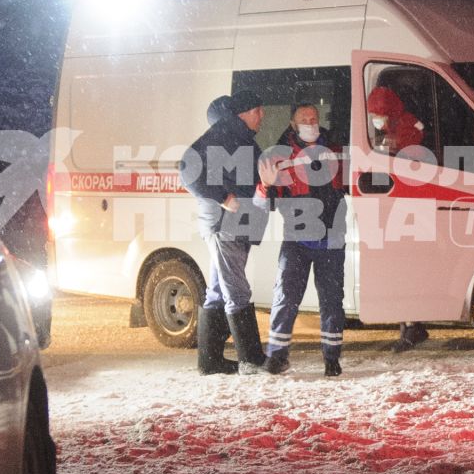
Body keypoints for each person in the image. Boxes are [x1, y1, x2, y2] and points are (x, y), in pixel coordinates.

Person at [180, 90, 269, 374]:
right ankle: (251, 359)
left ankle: (210, 360)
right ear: (242, 113)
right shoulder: (223, 135)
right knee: (236, 289)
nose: (261, 116)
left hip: (235, 224)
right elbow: (187, 168)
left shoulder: (239, 137)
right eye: (257, 110)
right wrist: (223, 197)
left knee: (219, 290)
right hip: (223, 225)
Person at [256, 103, 347, 377]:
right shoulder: (279, 155)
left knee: (332, 301)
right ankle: (276, 357)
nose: (310, 122)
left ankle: (332, 359)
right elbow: (262, 204)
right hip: (296, 239)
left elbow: (351, 183)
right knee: (285, 298)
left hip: (332, 238)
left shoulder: (336, 148)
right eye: (304, 119)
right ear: (293, 124)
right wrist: (266, 186)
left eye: (314, 118)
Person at [363, 83, 431, 353]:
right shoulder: (396, 128)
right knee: (402, 269)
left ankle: (412, 326)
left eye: (378, 115)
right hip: (401, 206)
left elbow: (406, 166)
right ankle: (410, 325)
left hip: (408, 206)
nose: (375, 120)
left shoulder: (405, 128)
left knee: (406, 268)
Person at [366, 84, 425, 155]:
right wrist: (374, 141)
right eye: (372, 116)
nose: (374, 119)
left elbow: (398, 142)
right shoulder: (392, 124)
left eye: (376, 115)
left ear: (387, 114)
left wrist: (377, 142)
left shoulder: (405, 124)